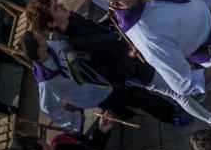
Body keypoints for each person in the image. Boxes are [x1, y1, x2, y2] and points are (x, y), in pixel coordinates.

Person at [25, 0, 211, 126]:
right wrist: (129, 57)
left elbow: (101, 33)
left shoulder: (72, 18)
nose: (60, 4)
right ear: (51, 23)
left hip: (139, 52)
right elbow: (113, 79)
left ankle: (199, 94)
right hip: (138, 70)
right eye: (55, 7)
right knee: (178, 94)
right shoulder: (72, 52)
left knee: (179, 72)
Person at [21, 30, 188, 130]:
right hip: (97, 95)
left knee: (140, 91)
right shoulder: (46, 82)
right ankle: (169, 117)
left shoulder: (51, 46)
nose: (44, 38)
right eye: (40, 40)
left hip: (102, 78)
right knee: (140, 100)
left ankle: (168, 106)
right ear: (38, 53)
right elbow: (49, 109)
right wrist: (74, 121)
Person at [8, 113, 133, 150]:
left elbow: (95, 147)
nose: (44, 147)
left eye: (37, 143)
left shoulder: (62, 140)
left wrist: (101, 130)